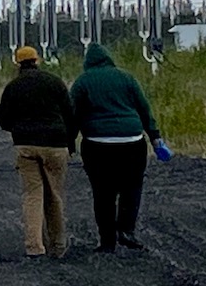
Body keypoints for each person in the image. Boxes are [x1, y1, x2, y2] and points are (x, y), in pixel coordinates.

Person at [69, 42, 164, 253]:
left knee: (103, 192)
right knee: (132, 187)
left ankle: (107, 241)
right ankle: (127, 230)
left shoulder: (83, 82)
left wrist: (69, 142)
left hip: (97, 144)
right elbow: (143, 107)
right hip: (132, 140)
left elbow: (73, 114)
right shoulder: (126, 78)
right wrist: (155, 137)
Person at [0, 44, 76, 259]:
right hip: (56, 144)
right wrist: (71, 143)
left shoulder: (13, 87)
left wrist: (19, 130)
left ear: (18, 64)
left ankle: (34, 247)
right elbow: (70, 115)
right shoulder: (54, 82)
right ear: (37, 60)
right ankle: (58, 246)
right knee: (55, 195)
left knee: (32, 195)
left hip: (26, 146)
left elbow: (3, 120)